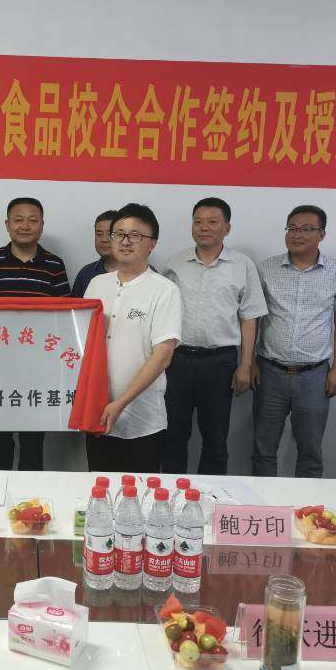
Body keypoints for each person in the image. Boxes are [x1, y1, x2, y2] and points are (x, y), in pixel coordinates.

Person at [161, 197, 267, 474]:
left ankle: (210, 496)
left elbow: (250, 318)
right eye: (198, 222)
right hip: (177, 361)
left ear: (227, 228)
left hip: (220, 363)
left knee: (216, 441)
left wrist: (245, 365)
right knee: (172, 437)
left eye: (212, 222)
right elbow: (161, 313)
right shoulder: (175, 263)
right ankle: (171, 495)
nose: (204, 227)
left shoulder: (242, 265)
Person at [251, 205, 336, 478]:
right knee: (263, 448)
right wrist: (249, 361)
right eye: (292, 228)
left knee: (310, 451)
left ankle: (306, 504)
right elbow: (253, 319)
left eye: (306, 229)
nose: (297, 235)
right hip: (269, 372)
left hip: (314, 375)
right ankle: (264, 502)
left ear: (321, 234)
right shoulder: (265, 269)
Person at [0, 197, 71, 470]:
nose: (25, 226)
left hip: (39, 368)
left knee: (33, 441)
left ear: (42, 225)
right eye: (18, 220)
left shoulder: (54, 264)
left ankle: (30, 494)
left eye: (32, 220)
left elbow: (65, 316)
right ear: (7, 225)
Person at [83, 204, 181, 472]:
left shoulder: (165, 290)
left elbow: (162, 356)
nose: (125, 241)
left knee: (137, 493)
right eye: (119, 234)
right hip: (97, 413)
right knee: (99, 488)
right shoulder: (97, 284)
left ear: (152, 243)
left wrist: (120, 404)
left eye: (135, 235)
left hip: (142, 421)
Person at [71, 210, 117, 298]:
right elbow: (75, 306)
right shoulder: (86, 273)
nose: (104, 240)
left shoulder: (138, 272)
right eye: (99, 234)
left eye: (110, 234)